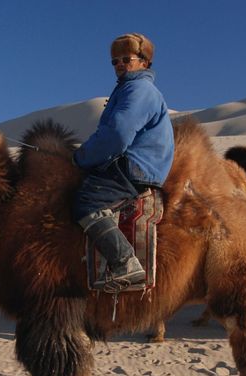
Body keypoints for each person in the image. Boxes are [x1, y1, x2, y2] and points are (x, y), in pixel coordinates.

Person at [73, 33, 175, 289]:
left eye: (126, 58)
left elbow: (117, 134)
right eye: (114, 61)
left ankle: (124, 262)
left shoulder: (138, 90)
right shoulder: (129, 89)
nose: (119, 64)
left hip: (136, 165)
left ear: (144, 61)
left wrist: (83, 157)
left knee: (86, 201)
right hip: (135, 162)